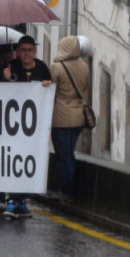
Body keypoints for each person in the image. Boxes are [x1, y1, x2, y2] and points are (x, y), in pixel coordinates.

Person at [2, 35, 51, 218]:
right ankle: (12, 198)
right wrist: (5, 78)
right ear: (18, 52)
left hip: (33, 127)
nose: (26, 54)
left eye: (29, 50)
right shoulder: (11, 67)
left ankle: (21, 198)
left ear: (34, 51)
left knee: (26, 162)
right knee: (13, 160)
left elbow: (48, 95)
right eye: (23, 50)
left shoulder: (42, 68)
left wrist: (47, 85)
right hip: (13, 124)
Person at [49, 36, 90, 204]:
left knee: (64, 156)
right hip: (79, 117)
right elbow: (85, 87)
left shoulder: (57, 68)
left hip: (61, 118)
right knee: (69, 153)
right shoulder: (85, 66)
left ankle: (67, 192)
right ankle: (68, 191)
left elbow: (51, 91)